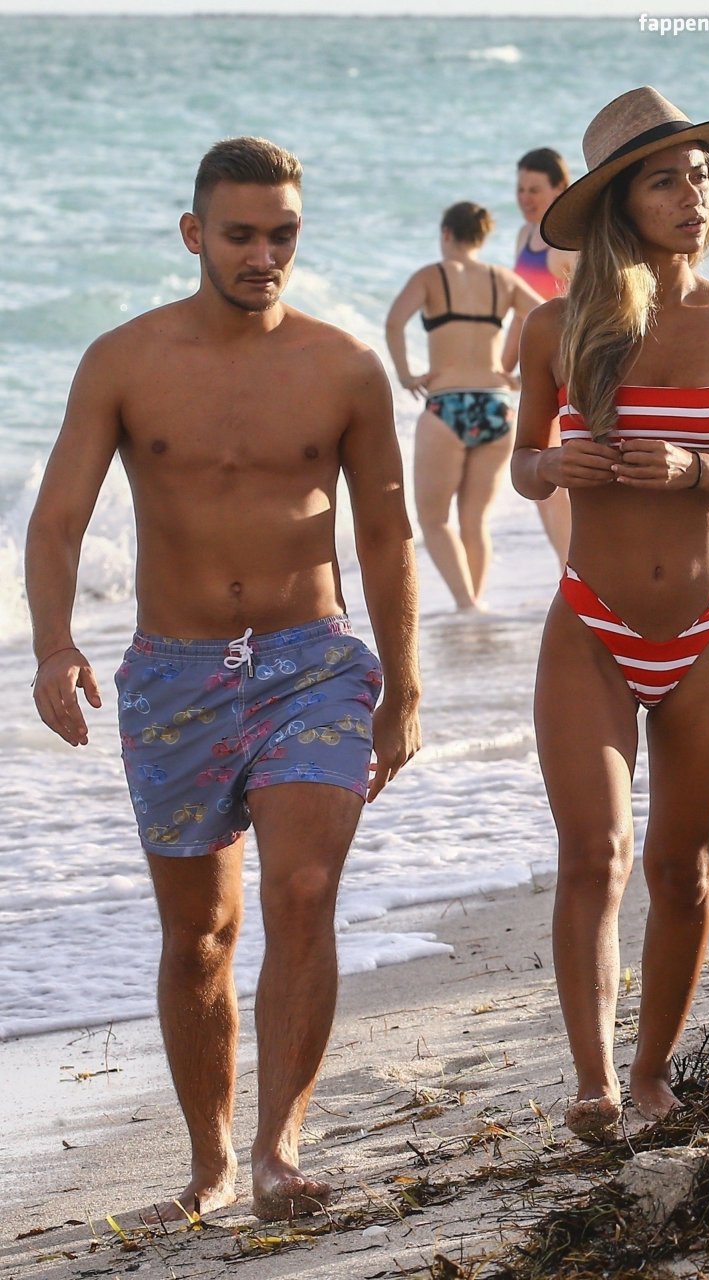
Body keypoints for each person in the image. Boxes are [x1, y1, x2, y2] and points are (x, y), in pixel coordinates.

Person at [26, 136, 422, 1220]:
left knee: (303, 890)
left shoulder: (345, 366)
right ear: (194, 233)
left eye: (281, 234)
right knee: (200, 934)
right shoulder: (122, 361)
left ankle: (277, 1148)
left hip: (313, 664)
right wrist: (54, 643)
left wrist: (405, 688)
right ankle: (208, 1165)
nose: (263, 255)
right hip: (173, 677)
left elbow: (385, 535)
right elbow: (57, 520)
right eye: (241, 235)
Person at [513, 87, 709, 1140]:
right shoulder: (554, 326)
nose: (692, 196)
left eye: (699, 175)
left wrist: (701, 468)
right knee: (593, 854)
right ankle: (592, 1081)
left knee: (682, 870)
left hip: (706, 631)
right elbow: (522, 462)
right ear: (619, 205)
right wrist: (549, 464)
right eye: (663, 180)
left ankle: (650, 1074)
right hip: (589, 628)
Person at [385, 201, 540, 611]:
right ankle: (476, 606)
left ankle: (466, 605)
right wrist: (523, 376)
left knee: (434, 520)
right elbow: (551, 317)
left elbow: (394, 322)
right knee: (475, 519)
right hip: (496, 406)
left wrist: (406, 375)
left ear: (446, 234)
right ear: (482, 237)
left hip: (447, 405)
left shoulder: (431, 276)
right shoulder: (501, 279)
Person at [504, 148, 578, 563]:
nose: (525, 198)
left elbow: (591, 310)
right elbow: (521, 313)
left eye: (535, 189)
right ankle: (566, 568)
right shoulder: (524, 236)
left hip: (567, 374)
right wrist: (501, 367)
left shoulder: (569, 242)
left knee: (559, 479)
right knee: (543, 484)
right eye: (520, 189)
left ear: (560, 188)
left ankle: (576, 568)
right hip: (538, 375)